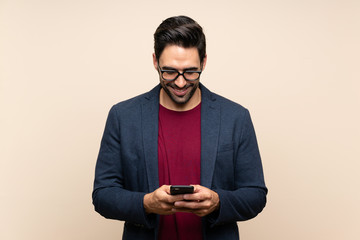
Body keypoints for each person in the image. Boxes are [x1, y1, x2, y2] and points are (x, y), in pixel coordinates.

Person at [92, 15, 267, 240]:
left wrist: (218, 202)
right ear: (155, 61)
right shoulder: (123, 116)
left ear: (204, 62)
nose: (181, 82)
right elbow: (103, 195)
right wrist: (146, 203)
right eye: (170, 71)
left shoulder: (236, 117)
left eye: (191, 72)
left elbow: (256, 194)